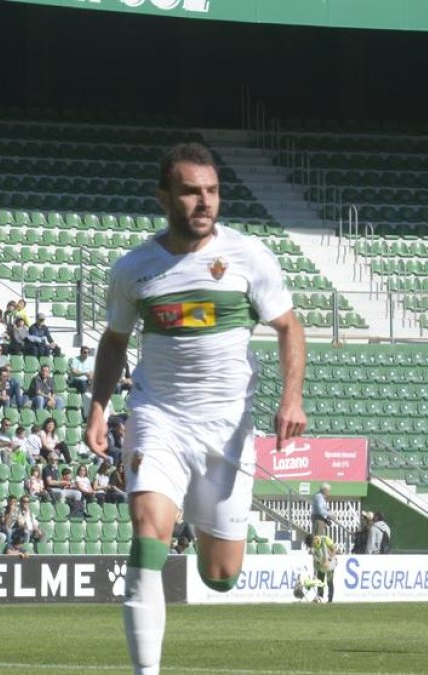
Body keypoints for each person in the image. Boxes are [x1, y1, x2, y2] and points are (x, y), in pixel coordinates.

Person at [83, 141, 306, 675]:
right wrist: (98, 407)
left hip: (228, 429)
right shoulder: (135, 268)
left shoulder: (250, 257)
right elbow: (114, 342)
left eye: (211, 190)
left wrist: (291, 397)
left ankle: (205, 530)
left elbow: (289, 327)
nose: (204, 201)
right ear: (164, 197)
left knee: (221, 573)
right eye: (190, 191)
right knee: (147, 530)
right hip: (159, 417)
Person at [303, 532, 338, 603]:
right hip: (320, 565)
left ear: (314, 539)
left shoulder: (325, 539)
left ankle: (330, 600)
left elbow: (334, 549)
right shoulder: (313, 548)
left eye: (312, 544)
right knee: (319, 582)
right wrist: (314, 573)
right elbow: (314, 560)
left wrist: (329, 560)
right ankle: (320, 598)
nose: (312, 546)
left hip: (330, 563)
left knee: (329, 581)